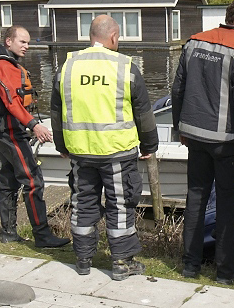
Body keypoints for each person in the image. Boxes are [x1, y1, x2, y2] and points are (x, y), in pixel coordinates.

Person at [50, 15, 159, 281]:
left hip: (80, 151)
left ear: (91, 36)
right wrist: (149, 145)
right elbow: (143, 112)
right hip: (117, 152)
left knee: (83, 203)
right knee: (120, 205)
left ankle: (83, 259)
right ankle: (121, 262)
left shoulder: (68, 66)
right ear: (113, 36)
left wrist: (61, 144)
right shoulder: (125, 66)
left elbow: (56, 109)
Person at [171, 0, 234, 284]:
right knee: (228, 206)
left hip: (195, 138)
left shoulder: (194, 41)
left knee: (195, 199)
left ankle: (190, 266)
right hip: (227, 142)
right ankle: (224, 273)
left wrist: (180, 129)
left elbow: (177, 90)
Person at [0, 25, 70, 248]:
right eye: (22, 41)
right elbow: (12, 102)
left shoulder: (7, 65)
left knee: (9, 180)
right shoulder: (3, 66)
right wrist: (34, 125)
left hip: (4, 131)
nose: (26, 46)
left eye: (28, 42)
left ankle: (8, 232)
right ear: (8, 41)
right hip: (10, 132)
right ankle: (42, 236)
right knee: (33, 181)